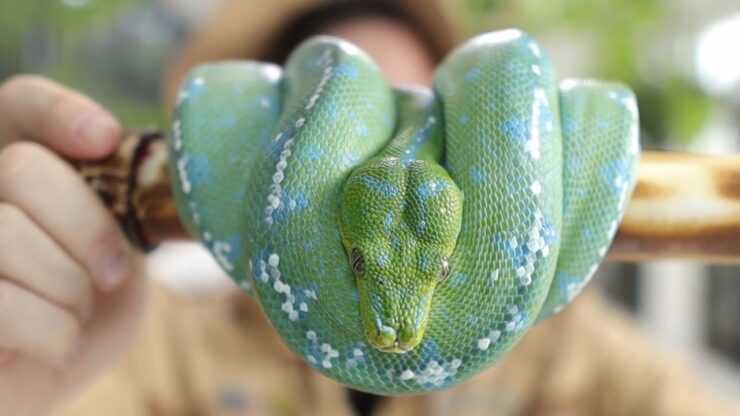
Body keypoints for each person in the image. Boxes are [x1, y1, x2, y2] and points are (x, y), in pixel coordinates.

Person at [0, 1, 736, 415]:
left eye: (409, 108)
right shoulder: (163, 344)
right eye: (357, 126)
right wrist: (26, 389)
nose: (394, 330)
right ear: (281, 135)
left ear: (471, 131)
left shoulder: (570, 351)